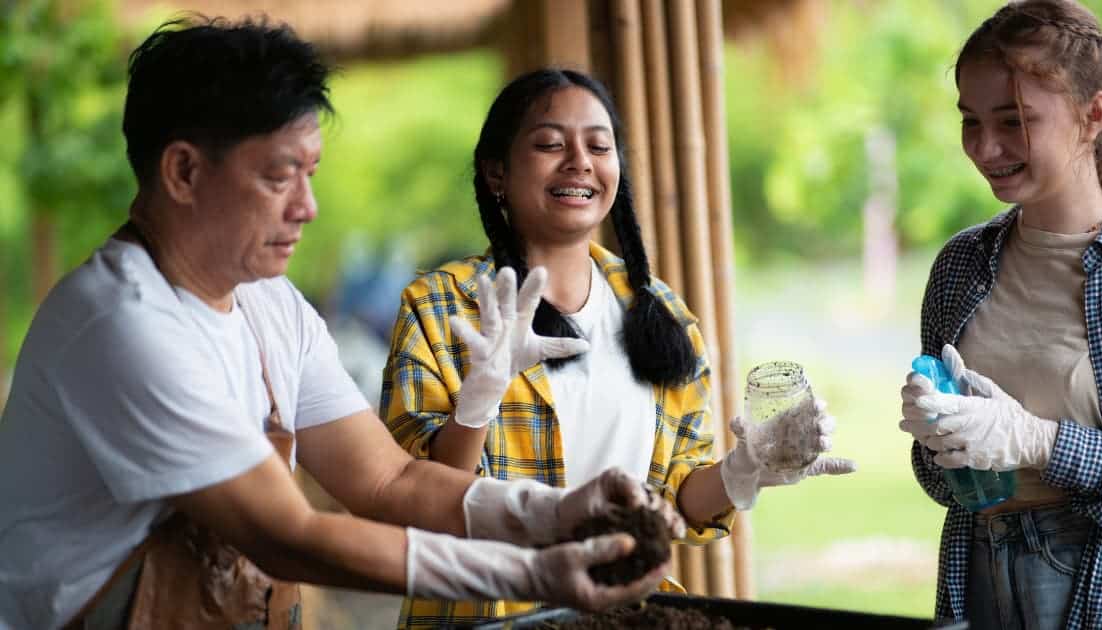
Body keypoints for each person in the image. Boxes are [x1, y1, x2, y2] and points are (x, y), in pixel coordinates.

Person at [0, 17, 681, 630]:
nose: (309, 207)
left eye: (312, 173)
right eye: (280, 176)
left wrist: (560, 513)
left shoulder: (271, 303)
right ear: (182, 171)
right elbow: (287, 535)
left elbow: (390, 482)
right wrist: (531, 573)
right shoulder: (124, 325)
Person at [381, 68, 856, 628]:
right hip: (486, 615)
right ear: (496, 173)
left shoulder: (662, 314)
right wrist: (477, 402)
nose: (579, 161)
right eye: (550, 144)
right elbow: (416, 499)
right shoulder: (439, 307)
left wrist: (743, 469)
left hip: (625, 614)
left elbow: (676, 502)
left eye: (598, 146)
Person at [898, 1, 1102, 627]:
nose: (985, 147)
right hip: (975, 575)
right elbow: (938, 484)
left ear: (1094, 115)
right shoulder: (960, 267)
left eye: (1014, 120)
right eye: (971, 121)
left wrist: (1041, 441)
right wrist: (940, 437)